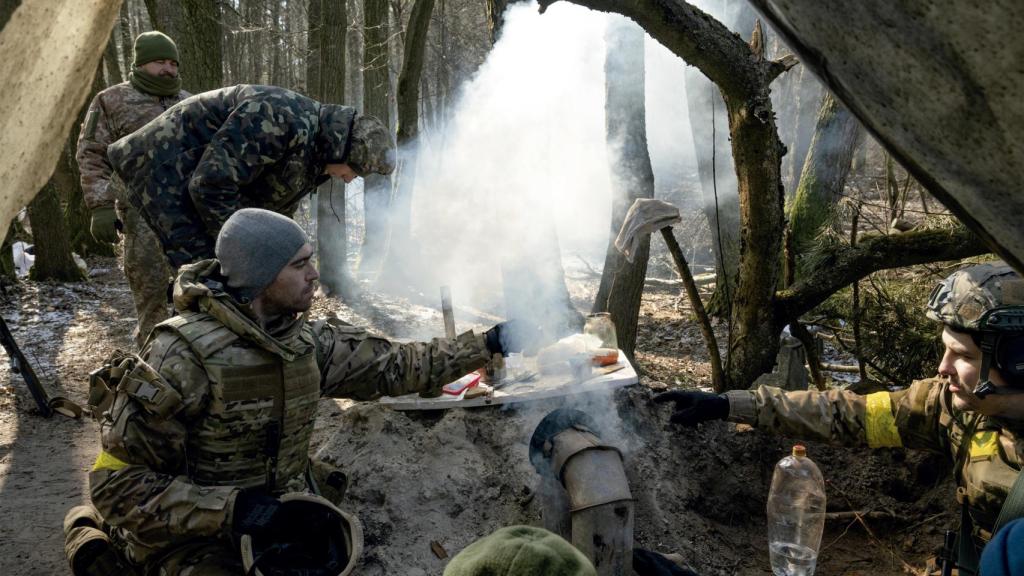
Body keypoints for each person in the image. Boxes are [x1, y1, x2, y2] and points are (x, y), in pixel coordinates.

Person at [65, 209, 520, 575]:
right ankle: (93, 542)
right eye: (299, 264)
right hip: (198, 533)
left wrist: (487, 344)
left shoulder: (304, 342)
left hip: (278, 516)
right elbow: (116, 485)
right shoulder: (180, 356)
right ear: (262, 275)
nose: (315, 275)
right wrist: (233, 509)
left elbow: (394, 367)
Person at [655, 261, 1024, 575]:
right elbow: (848, 413)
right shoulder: (950, 407)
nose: (944, 368)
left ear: (1018, 361)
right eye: (945, 350)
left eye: (963, 356)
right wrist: (731, 405)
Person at [107, 84, 395, 269]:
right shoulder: (279, 117)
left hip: (186, 189)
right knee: (198, 285)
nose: (348, 180)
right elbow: (210, 184)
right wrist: (245, 248)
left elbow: (271, 209)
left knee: (227, 283)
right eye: (354, 172)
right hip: (155, 174)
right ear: (342, 149)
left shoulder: (315, 150)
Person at [76, 31, 190, 348]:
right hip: (141, 220)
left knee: (194, 297)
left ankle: (192, 371)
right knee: (151, 301)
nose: (168, 69)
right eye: (159, 62)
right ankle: (153, 378)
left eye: (172, 63)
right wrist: (100, 206)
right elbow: (91, 154)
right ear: (140, 64)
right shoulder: (110, 101)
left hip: (189, 218)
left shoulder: (188, 101)